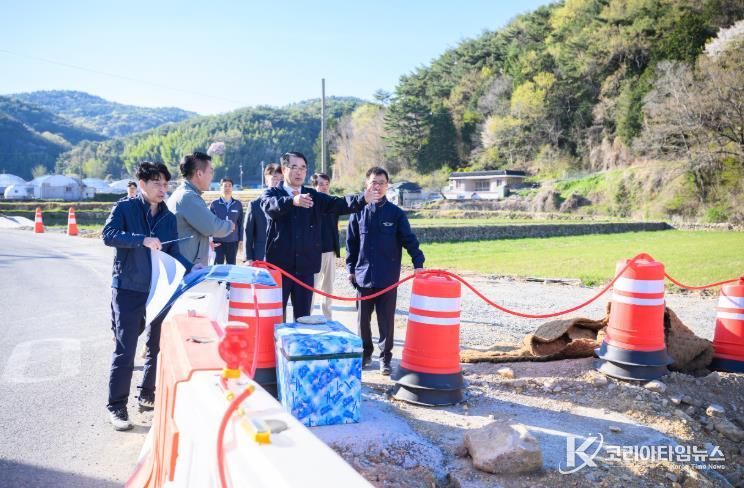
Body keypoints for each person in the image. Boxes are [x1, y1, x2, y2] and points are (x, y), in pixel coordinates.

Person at [101, 162, 194, 431]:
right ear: (142, 184)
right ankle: (117, 407)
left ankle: (147, 395)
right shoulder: (125, 208)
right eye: (157, 183)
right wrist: (140, 239)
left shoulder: (168, 217)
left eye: (165, 184)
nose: (163, 189)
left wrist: (193, 267)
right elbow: (108, 235)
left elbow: (172, 253)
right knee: (126, 349)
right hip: (128, 288)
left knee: (156, 345)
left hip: (158, 289)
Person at [260, 151, 380, 319]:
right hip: (279, 269)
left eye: (303, 168)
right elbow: (269, 206)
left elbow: (338, 203)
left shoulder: (313, 196)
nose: (299, 172)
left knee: (303, 318)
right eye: (294, 167)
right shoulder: (272, 193)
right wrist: (292, 201)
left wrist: (362, 199)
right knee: (275, 317)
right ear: (285, 169)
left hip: (305, 269)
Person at [346, 167, 425, 376]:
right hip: (363, 276)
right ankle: (365, 354)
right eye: (374, 182)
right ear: (367, 184)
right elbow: (351, 243)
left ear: (387, 185)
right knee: (362, 320)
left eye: (381, 183)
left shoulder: (396, 214)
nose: (377, 186)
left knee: (386, 321)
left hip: (387, 277)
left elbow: (409, 240)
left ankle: (385, 359)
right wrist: (350, 269)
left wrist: (418, 262)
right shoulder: (358, 212)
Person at [167, 152, 234, 266]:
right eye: (210, 172)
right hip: (187, 267)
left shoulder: (184, 193)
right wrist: (229, 225)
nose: (212, 176)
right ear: (199, 173)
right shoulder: (188, 197)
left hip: (185, 263)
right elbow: (212, 226)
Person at [310, 173, 339, 319]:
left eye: (327, 184)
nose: (325, 187)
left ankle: (328, 318)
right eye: (321, 184)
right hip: (313, 253)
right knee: (311, 287)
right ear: (314, 186)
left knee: (328, 287)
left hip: (331, 251)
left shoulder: (333, 202)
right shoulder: (309, 203)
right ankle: (306, 316)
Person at [243, 163, 282, 264]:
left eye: (281, 179)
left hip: (284, 257)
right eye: (274, 178)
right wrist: (248, 258)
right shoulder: (255, 204)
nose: (278, 182)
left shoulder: (289, 203)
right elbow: (248, 233)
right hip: (261, 257)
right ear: (266, 180)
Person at [208, 178, 244, 265]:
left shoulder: (238, 204)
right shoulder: (214, 204)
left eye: (229, 186)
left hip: (233, 241)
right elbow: (209, 223)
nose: (227, 188)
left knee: (231, 266)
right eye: (225, 186)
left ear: (232, 188)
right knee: (218, 267)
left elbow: (240, 223)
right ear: (221, 188)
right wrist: (210, 239)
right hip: (218, 241)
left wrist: (241, 239)